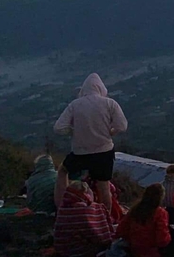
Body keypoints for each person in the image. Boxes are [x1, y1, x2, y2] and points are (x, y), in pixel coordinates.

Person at [54, 72, 128, 215]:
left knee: (63, 171)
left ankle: (60, 208)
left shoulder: (75, 105)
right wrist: (110, 132)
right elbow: (122, 126)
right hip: (104, 151)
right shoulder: (109, 103)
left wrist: (74, 131)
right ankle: (104, 219)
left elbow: (58, 128)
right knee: (104, 186)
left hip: (80, 152)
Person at [116, 183, 174, 257]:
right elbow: (162, 241)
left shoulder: (134, 210)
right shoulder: (160, 213)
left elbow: (120, 230)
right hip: (154, 254)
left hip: (135, 251)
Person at [53, 179, 115, 257]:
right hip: (81, 251)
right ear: (85, 194)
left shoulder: (63, 208)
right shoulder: (88, 210)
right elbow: (99, 237)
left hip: (63, 250)